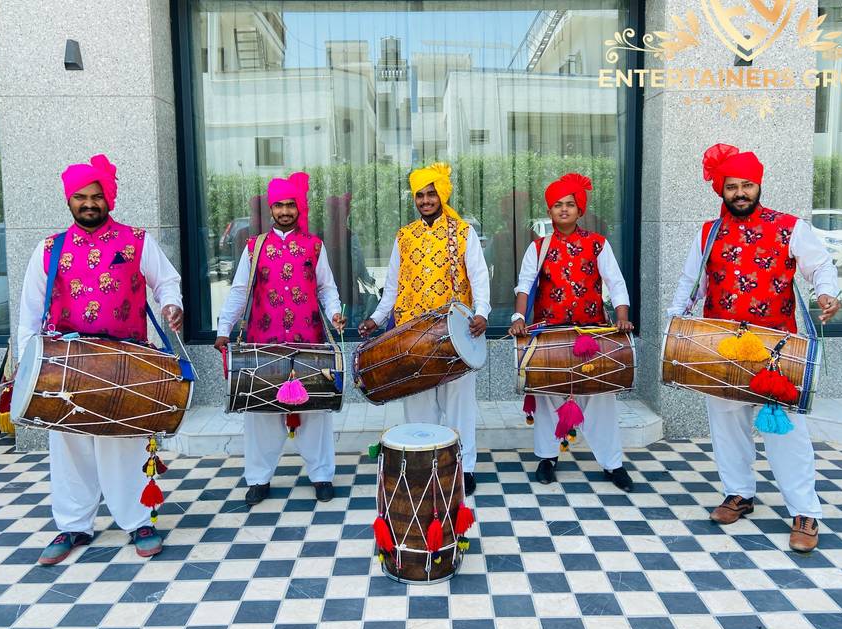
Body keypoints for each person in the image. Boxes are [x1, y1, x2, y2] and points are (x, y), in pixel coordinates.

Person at [667, 143, 841, 552]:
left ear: (758, 185)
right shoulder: (708, 233)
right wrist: (676, 324)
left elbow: (821, 266)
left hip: (776, 348)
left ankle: (804, 511)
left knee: (789, 435)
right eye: (732, 186)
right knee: (727, 426)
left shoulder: (789, 226)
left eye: (747, 185)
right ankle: (739, 493)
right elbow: (690, 283)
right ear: (721, 190)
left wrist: (827, 293)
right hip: (720, 344)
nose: (740, 193)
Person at [17, 154, 184, 564]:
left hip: (124, 364)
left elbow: (167, 281)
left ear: (108, 198)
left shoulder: (138, 240)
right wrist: (27, 367)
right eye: (80, 197)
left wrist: (172, 304)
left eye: (96, 196)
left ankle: (138, 521)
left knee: (123, 445)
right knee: (70, 448)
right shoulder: (49, 248)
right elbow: (29, 310)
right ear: (69, 201)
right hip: (65, 368)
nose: (89, 203)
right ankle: (73, 526)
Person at [358, 163, 490, 496]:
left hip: (456, 336)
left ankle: (464, 468)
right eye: (420, 195)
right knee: (418, 405)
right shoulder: (404, 236)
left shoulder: (462, 232)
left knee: (459, 404)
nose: (426, 200)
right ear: (414, 199)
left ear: (442, 195)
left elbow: (479, 276)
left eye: (432, 193)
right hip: (412, 337)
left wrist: (483, 312)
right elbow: (392, 286)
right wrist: (376, 319)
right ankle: (424, 463)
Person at [215, 173, 345, 505]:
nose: (285, 211)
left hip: (308, 342)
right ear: (271, 208)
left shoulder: (314, 246)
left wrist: (334, 314)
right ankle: (258, 479)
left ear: (298, 207)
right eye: (279, 205)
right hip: (264, 342)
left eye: (290, 204)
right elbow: (239, 292)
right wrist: (222, 330)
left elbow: (327, 288)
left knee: (315, 412)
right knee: (259, 414)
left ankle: (321, 476)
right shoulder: (254, 246)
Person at [509, 174, 634, 490]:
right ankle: (547, 458)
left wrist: (622, 317)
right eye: (557, 205)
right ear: (549, 211)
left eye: (570, 205)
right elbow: (524, 285)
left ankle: (612, 463)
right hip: (549, 333)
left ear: (580, 210)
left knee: (601, 395)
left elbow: (615, 283)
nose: (563, 210)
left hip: (590, 332)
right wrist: (518, 317)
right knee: (547, 394)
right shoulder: (538, 247)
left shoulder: (597, 243)